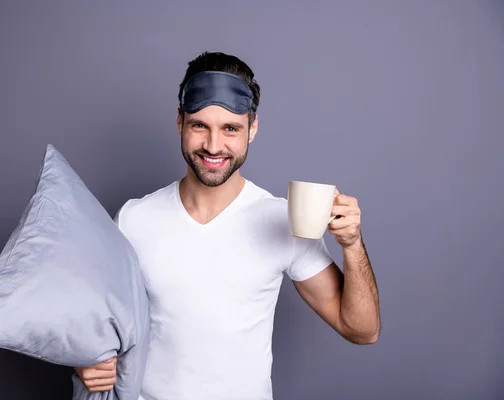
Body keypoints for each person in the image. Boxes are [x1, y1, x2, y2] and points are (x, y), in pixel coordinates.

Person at [74, 51, 381, 399]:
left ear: (252, 129)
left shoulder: (283, 221)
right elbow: (96, 326)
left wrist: (352, 245)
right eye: (199, 125)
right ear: (179, 123)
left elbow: (362, 330)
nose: (213, 145)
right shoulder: (134, 218)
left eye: (230, 128)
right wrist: (85, 361)